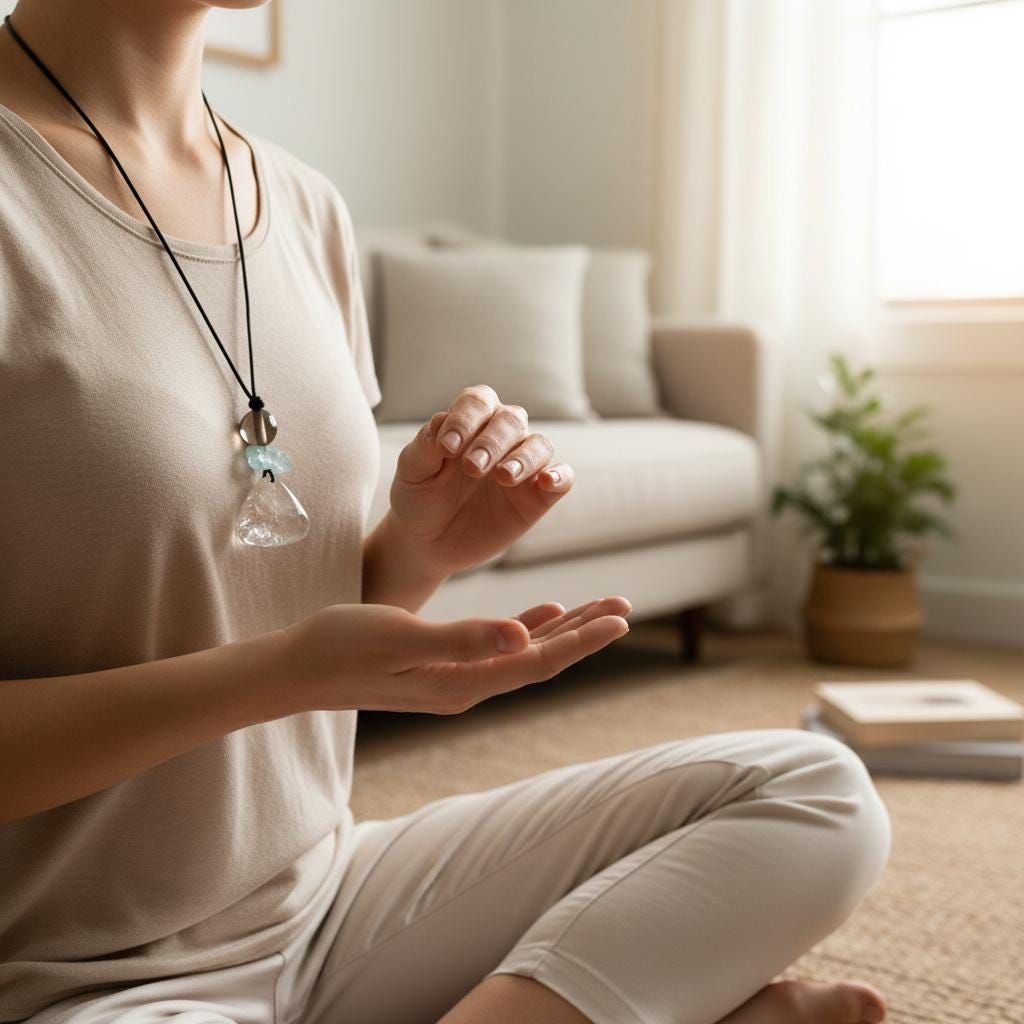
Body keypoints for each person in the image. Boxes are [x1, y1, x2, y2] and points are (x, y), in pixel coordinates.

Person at [0, 2, 893, 1022]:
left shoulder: (302, 205)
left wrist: (420, 549)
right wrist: (279, 675)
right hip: (73, 973)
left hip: (325, 899)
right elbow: (283, 661)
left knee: (816, 792)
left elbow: (299, 604)